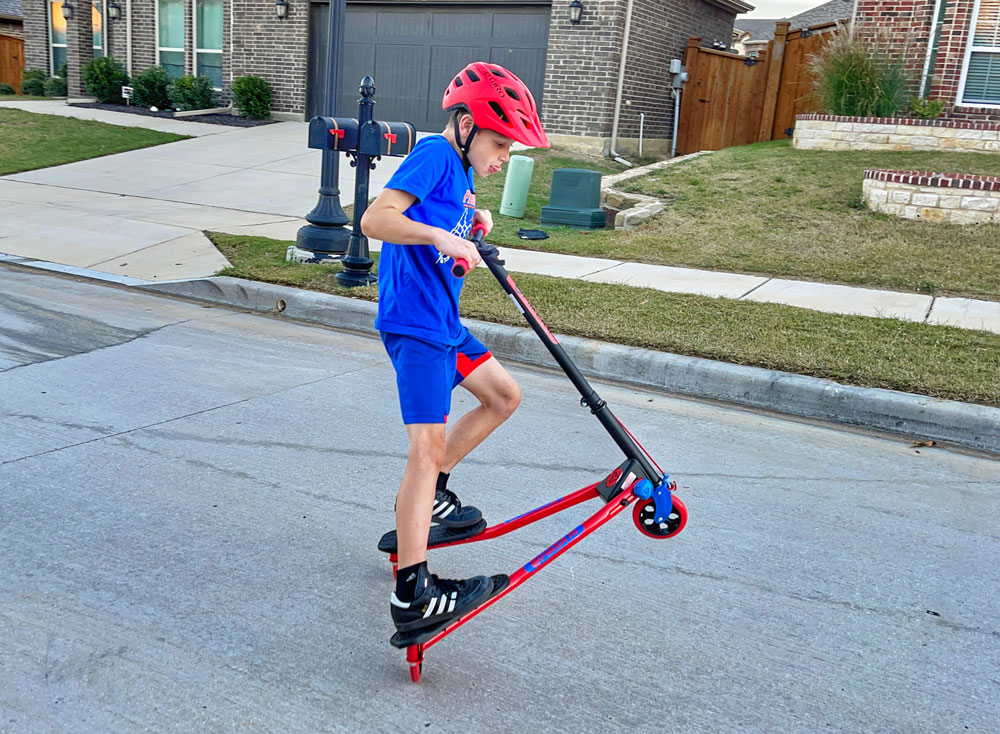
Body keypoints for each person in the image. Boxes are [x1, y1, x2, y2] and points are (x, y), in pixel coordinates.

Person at [360, 61, 550, 641]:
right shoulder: (435, 156)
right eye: (498, 142)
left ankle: (432, 501)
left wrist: (472, 218)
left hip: (445, 325)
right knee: (426, 448)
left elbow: (442, 213)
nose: (501, 157)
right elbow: (376, 218)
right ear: (466, 125)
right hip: (416, 325)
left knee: (503, 395)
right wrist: (442, 235)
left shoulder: (460, 174)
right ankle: (414, 592)